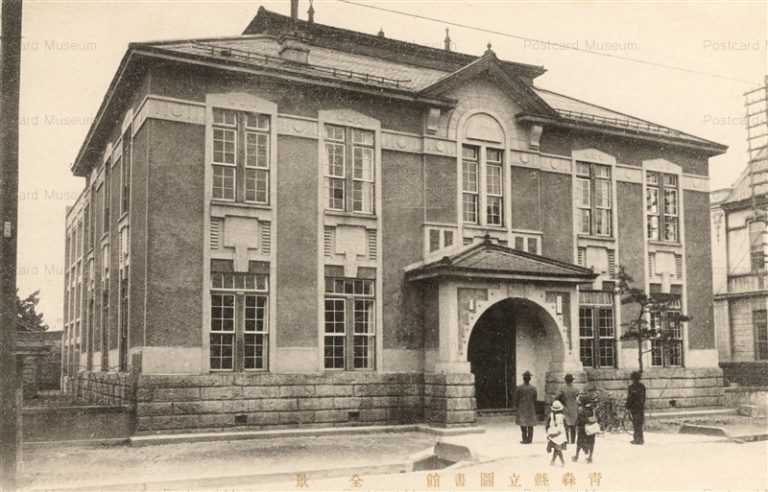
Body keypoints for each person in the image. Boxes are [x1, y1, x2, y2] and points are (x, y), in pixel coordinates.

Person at [515, 370, 537, 444]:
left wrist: (517, 406)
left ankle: (524, 439)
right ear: (529, 379)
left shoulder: (519, 388)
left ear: (523, 378)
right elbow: (535, 398)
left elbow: (516, 398)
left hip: (522, 408)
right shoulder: (533, 388)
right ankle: (530, 439)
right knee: (530, 424)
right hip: (531, 408)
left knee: (523, 424)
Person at [557, 373, 579, 444]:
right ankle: (573, 441)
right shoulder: (576, 389)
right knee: (573, 426)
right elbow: (578, 398)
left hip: (565, 408)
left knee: (566, 426)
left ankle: (566, 441)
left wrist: (561, 402)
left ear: (565, 380)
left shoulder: (562, 388)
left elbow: (557, 397)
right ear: (572, 380)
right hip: (574, 409)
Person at [572, 399, 597, 463]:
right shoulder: (593, 410)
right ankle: (590, 457)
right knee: (591, 443)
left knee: (579, 443)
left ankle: (576, 456)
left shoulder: (581, 411)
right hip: (591, 429)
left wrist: (575, 425)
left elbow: (578, 420)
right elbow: (597, 419)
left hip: (583, 429)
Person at [626, 370, 646, 445]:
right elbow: (643, 398)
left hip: (636, 408)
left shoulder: (632, 387)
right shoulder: (641, 386)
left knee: (636, 423)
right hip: (638, 408)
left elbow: (630, 398)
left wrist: (627, 406)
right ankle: (639, 439)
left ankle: (638, 439)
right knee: (638, 424)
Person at [546, 400, 567, 466]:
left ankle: (554, 461)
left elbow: (547, 425)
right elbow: (566, 426)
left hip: (552, 434)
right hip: (560, 434)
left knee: (557, 449)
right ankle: (561, 461)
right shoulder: (563, 416)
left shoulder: (550, 415)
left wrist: (548, 432)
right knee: (558, 448)